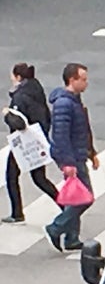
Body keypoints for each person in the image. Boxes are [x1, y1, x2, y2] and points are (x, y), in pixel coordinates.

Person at [45, 63, 97, 253]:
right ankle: (56, 228)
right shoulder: (65, 104)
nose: (86, 83)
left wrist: (91, 152)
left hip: (77, 154)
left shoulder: (73, 100)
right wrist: (68, 163)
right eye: (83, 79)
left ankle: (72, 237)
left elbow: (82, 130)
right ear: (72, 80)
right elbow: (61, 135)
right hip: (72, 157)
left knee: (75, 197)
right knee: (85, 198)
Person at [4, 63, 57, 223]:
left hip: (23, 143)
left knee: (11, 175)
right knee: (40, 178)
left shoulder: (20, 97)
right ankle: (64, 205)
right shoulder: (36, 88)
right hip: (38, 139)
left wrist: (7, 114)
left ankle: (17, 213)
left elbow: (19, 123)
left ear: (18, 77)